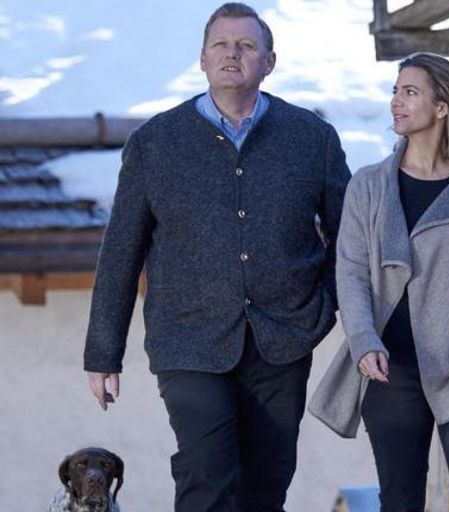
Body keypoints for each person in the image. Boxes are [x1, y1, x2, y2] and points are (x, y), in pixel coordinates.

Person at [83, 3, 350, 511]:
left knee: (265, 486)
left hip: (284, 338)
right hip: (187, 339)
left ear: (269, 62)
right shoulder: (156, 143)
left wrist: (324, 304)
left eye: (246, 45)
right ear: (202, 59)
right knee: (206, 473)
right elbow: (121, 249)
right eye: (221, 45)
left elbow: (350, 235)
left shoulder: (312, 138)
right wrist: (102, 352)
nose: (233, 54)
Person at [314, 52, 449, 511]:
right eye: (395, 91)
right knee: (400, 500)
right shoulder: (368, 186)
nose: (396, 101)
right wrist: (363, 341)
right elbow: (350, 273)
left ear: (442, 106)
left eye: (409, 92)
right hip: (390, 368)